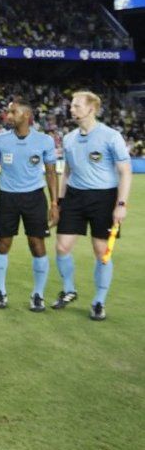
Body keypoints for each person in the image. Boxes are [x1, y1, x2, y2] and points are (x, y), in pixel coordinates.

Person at [53, 91, 132, 320]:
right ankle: (69, 290)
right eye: (71, 106)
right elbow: (66, 172)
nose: (71, 109)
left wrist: (121, 204)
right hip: (75, 197)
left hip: (104, 199)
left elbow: (125, 172)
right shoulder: (68, 138)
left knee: (102, 253)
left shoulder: (110, 136)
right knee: (62, 247)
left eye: (76, 106)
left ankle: (99, 301)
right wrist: (59, 202)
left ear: (91, 109)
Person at [0, 98, 58, 311]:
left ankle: (38, 295)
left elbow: (51, 173)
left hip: (34, 198)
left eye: (13, 112)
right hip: (7, 198)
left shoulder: (45, 141)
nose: (8, 116)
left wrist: (55, 203)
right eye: (8, 112)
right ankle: (1, 291)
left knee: (37, 244)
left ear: (26, 116)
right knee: (2, 243)